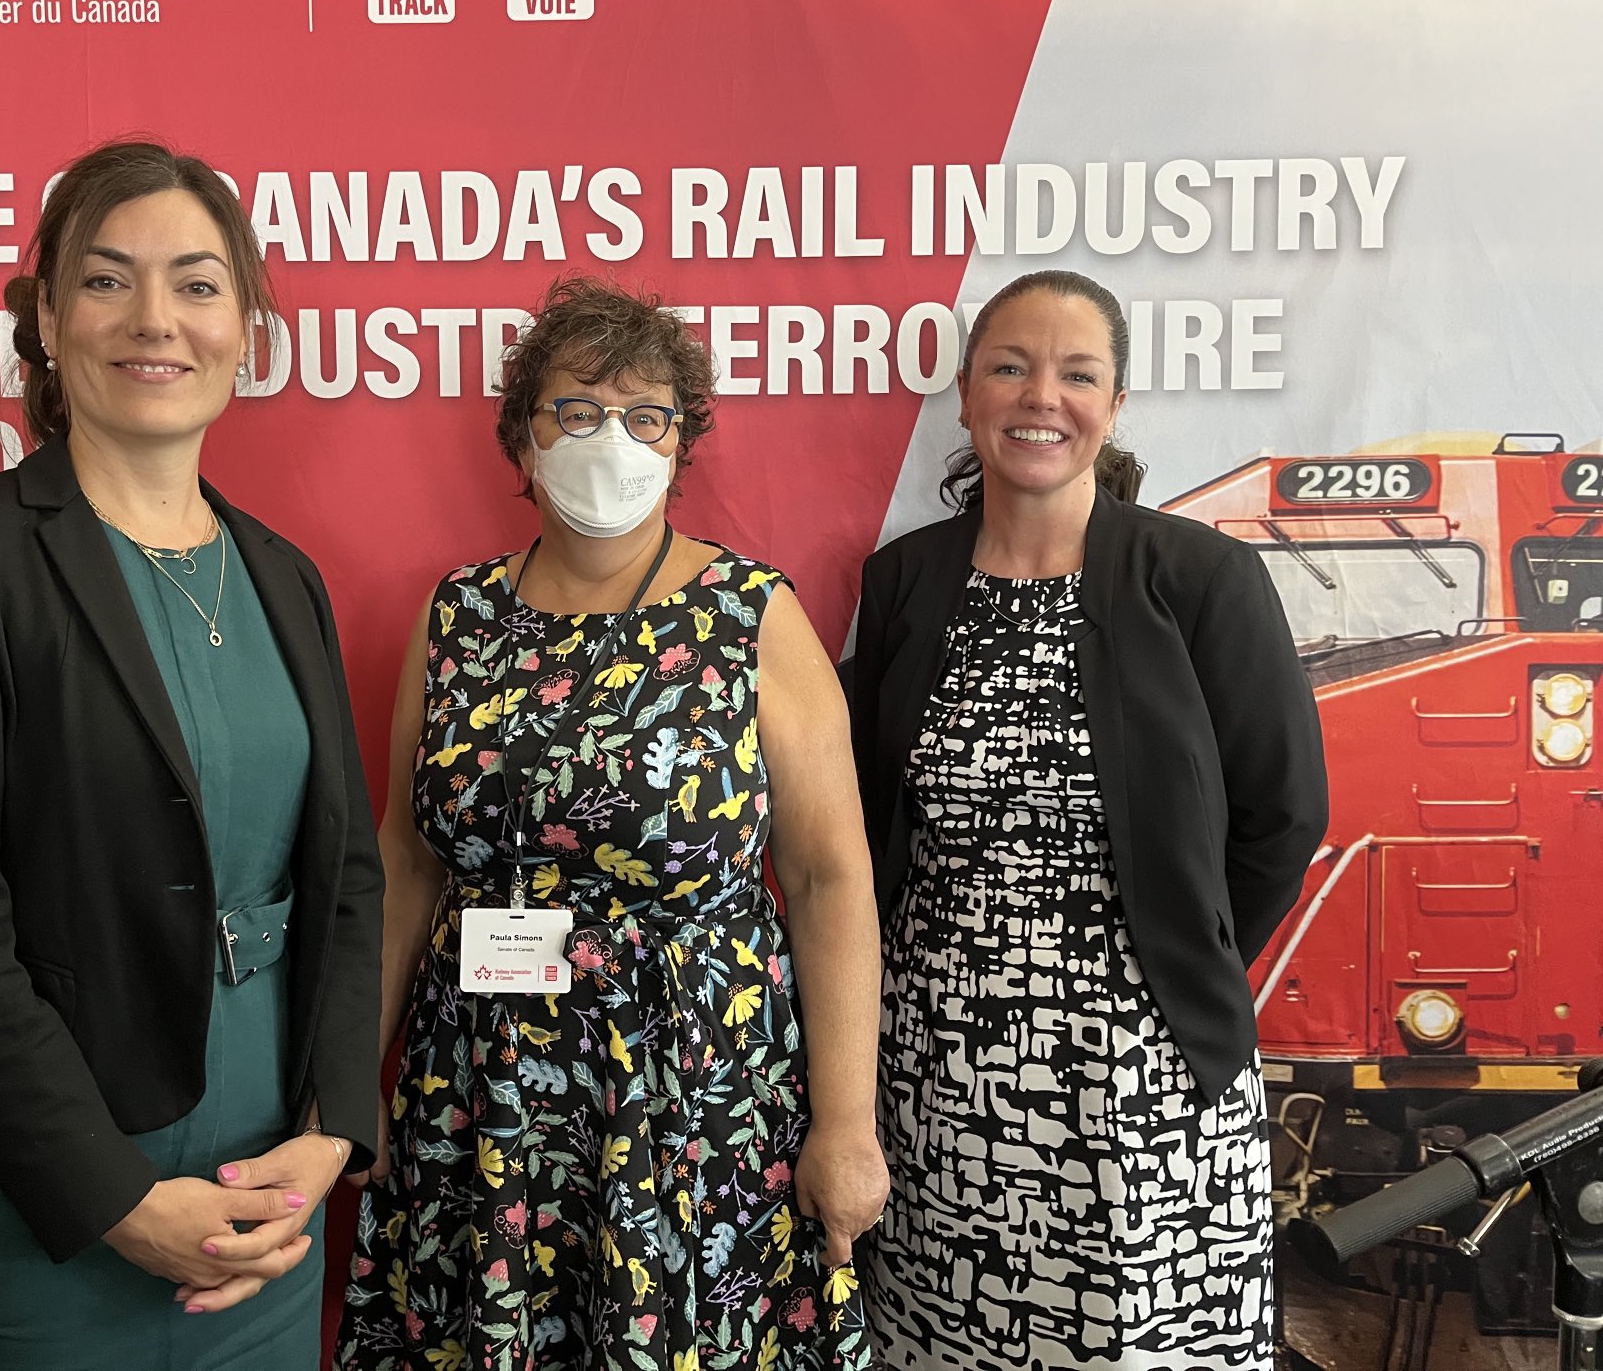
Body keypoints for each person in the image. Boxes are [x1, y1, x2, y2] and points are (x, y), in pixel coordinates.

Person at [0, 139, 383, 1370]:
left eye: (197, 284)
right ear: (46, 319)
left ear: (244, 328)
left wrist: (332, 1134)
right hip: (38, 1220)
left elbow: (348, 877)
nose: (154, 319)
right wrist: (116, 1202)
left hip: (263, 1221)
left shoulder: (284, 575)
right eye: (105, 280)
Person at [334, 277, 889, 1370]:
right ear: (522, 438)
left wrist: (847, 1124)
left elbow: (829, 878)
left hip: (690, 1092)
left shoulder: (750, 614)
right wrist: (357, 1075)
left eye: (646, 416)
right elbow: (406, 857)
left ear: (681, 446)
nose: (613, 440)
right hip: (483, 1092)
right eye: (577, 410)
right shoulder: (459, 614)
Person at [848, 269, 1328, 1370]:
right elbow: (871, 822)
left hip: (1144, 1083)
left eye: (1077, 374)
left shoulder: (1200, 577)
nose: (1041, 398)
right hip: (932, 1081)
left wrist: (1183, 964)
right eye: (1010, 368)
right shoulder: (903, 582)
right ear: (967, 393)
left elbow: (1284, 814)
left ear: (1115, 403)